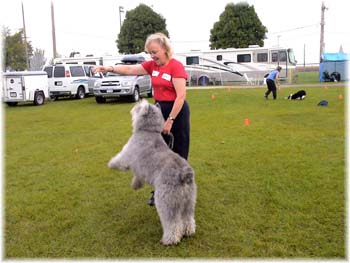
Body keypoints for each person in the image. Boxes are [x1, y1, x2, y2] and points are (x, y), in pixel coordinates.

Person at [93, 32, 190, 206]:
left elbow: (181, 96)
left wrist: (170, 120)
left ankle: (180, 193)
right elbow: (130, 69)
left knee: (178, 153)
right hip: (159, 111)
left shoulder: (176, 67)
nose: (152, 56)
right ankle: (158, 192)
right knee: (158, 154)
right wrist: (109, 68)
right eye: (150, 53)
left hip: (177, 112)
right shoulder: (153, 66)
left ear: (165, 48)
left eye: (155, 52)